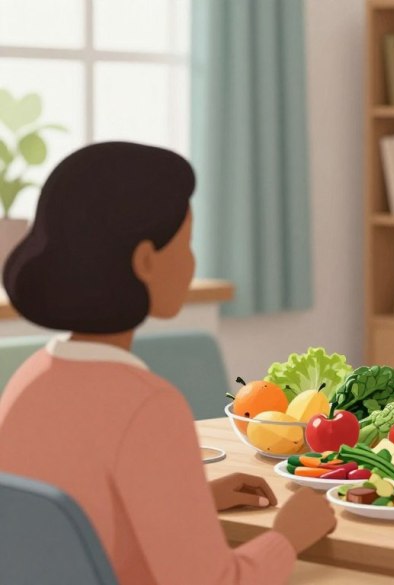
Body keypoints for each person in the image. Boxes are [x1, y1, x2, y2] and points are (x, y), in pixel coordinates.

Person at [0, 142, 336, 584]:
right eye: (188, 242)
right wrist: (288, 537)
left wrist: (191, 501)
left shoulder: (28, 381)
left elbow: (71, 526)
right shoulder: (148, 406)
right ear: (145, 260)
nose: (193, 261)